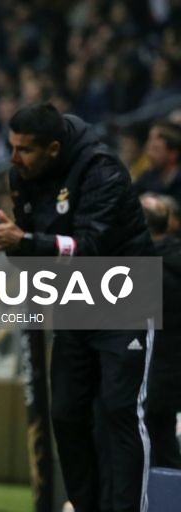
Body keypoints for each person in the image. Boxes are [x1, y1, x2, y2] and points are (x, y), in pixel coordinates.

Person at [0, 102, 154, 512]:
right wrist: (17, 245)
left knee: (120, 411)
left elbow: (90, 248)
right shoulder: (22, 176)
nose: (14, 158)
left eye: (24, 150)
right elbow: (30, 252)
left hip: (125, 298)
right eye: (12, 147)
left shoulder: (101, 170)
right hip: (75, 302)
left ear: (53, 148)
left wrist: (25, 242)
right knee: (67, 413)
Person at [139, 193, 181, 469]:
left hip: (151, 372)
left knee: (154, 447)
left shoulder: (148, 269)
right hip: (169, 373)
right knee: (164, 441)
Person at [134, 120, 181, 206]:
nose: (149, 154)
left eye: (156, 149)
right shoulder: (147, 177)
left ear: (172, 154)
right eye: (149, 148)